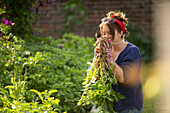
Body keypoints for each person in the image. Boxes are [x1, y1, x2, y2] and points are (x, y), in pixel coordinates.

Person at [95, 11, 143, 113]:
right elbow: (95, 76)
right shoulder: (105, 49)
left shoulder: (132, 51)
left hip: (128, 106)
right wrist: (97, 59)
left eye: (110, 33)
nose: (106, 36)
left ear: (121, 33)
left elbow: (122, 78)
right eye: (104, 33)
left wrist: (108, 58)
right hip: (110, 105)